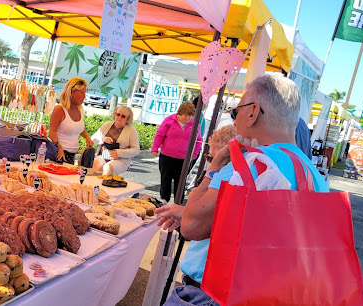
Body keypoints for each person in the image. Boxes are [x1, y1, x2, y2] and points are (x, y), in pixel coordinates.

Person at [157, 74, 329, 305]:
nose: (235, 121)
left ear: (252, 112)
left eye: (235, 113)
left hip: (214, 294)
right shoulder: (313, 176)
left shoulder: (253, 164)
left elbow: (191, 226)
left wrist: (215, 166)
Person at [151, 102, 203, 203]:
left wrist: (195, 154)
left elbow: (198, 140)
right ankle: (164, 201)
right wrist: (155, 148)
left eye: (190, 116)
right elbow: (159, 135)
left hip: (183, 158)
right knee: (165, 179)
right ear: (180, 113)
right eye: (185, 115)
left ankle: (178, 202)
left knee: (180, 182)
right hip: (167, 156)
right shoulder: (169, 120)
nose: (188, 118)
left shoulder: (194, 124)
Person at [49, 77, 94, 164]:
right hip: (59, 154)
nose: (84, 96)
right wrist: (60, 149)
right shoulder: (59, 109)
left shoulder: (80, 110)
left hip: (72, 156)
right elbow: (52, 132)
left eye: (85, 93)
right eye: (81, 93)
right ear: (71, 92)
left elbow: (78, 128)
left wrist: (87, 137)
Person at [90, 105, 140, 175]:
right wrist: (103, 139)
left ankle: (103, 185)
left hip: (121, 160)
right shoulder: (107, 125)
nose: (119, 117)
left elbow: (136, 150)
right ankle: (94, 185)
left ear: (127, 119)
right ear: (115, 114)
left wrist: (119, 153)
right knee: (95, 165)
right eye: (118, 114)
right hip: (103, 156)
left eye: (123, 116)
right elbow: (93, 139)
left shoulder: (131, 130)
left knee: (108, 168)